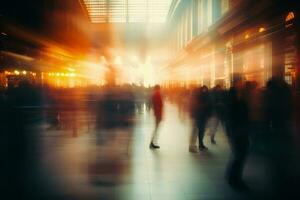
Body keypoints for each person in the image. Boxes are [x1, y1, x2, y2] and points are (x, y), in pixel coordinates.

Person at [225, 76, 250, 190]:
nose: (242, 83)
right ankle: (235, 178)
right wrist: (234, 129)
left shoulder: (238, 95)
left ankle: (232, 176)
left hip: (239, 129)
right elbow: (231, 114)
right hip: (236, 129)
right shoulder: (232, 96)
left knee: (240, 153)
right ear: (236, 83)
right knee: (240, 154)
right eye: (241, 81)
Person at [189, 85, 212, 152]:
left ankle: (199, 144)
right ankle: (193, 146)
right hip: (199, 116)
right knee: (196, 131)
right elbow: (195, 107)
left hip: (202, 116)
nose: (204, 90)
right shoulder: (199, 96)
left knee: (200, 130)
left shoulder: (204, 96)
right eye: (203, 89)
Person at [150, 85, 163, 149]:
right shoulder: (157, 94)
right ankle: (152, 143)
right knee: (156, 128)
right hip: (158, 114)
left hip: (157, 113)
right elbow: (159, 105)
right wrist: (159, 115)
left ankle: (152, 143)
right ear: (158, 88)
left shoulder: (154, 94)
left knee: (156, 128)